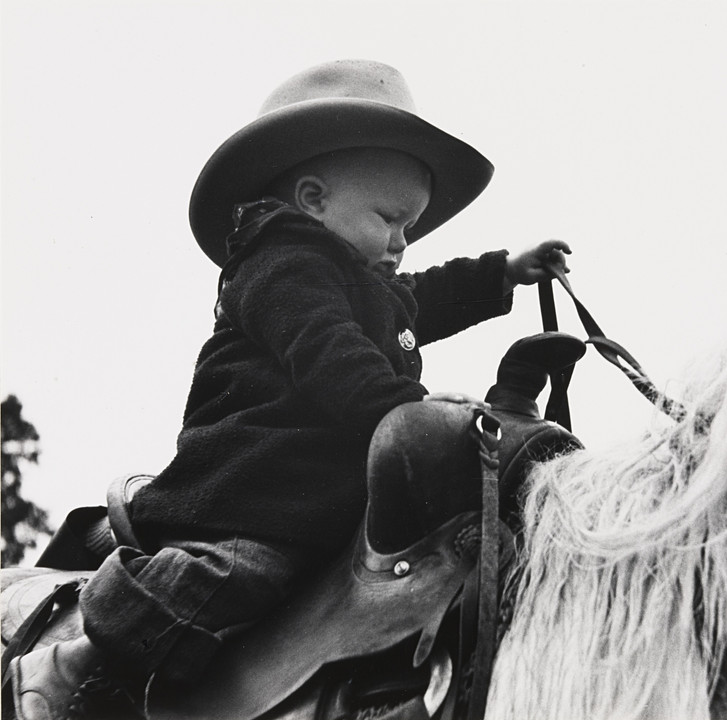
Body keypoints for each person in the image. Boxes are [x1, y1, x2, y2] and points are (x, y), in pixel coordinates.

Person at [10, 59, 570, 719]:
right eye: (390, 219)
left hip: (323, 494)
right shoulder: (283, 267)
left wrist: (502, 274)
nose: (400, 242)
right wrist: (405, 410)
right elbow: (329, 355)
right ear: (312, 201)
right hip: (254, 490)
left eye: (410, 228)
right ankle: (78, 657)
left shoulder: (369, 284)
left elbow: (423, 299)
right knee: (242, 575)